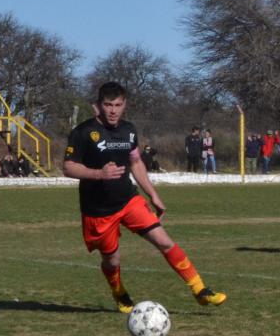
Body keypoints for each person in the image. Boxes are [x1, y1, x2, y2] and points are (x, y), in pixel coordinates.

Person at [63, 81, 226, 313]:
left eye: (117, 105)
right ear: (98, 105)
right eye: (108, 105)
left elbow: (136, 162)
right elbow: (68, 167)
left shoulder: (128, 130)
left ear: (124, 104)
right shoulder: (83, 132)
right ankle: (119, 292)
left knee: (164, 241)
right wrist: (99, 173)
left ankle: (200, 290)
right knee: (112, 260)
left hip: (129, 200)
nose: (113, 110)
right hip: (98, 210)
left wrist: (153, 194)